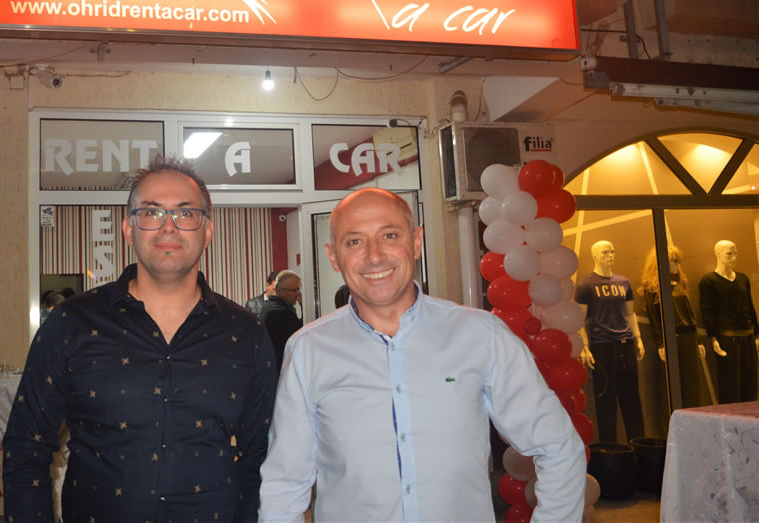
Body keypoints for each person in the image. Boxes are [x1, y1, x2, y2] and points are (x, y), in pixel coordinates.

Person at [259, 188, 585, 522]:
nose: (374, 256)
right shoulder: (309, 349)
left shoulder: (480, 335)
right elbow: (285, 482)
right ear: (333, 257)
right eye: (354, 241)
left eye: (389, 235)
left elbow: (559, 447)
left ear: (416, 242)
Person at [3, 156, 277, 522]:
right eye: (151, 213)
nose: (168, 227)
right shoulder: (71, 323)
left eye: (185, 213)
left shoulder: (246, 333)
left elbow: (262, 458)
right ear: (128, 229)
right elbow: (25, 449)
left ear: (208, 231)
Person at [576, 240, 645, 443]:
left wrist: (638, 338)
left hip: (625, 343)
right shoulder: (586, 285)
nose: (610, 255)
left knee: (632, 398)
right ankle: (609, 448)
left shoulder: (623, 282)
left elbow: (630, 314)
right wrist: (585, 347)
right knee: (606, 402)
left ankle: (639, 444)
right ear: (595, 255)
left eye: (612, 251)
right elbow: (580, 320)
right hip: (602, 346)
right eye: (605, 252)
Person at [640, 246, 708, 407]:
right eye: (674, 261)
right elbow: (654, 318)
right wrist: (660, 343)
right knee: (670, 385)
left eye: (679, 261)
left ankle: (693, 417)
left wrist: (697, 340)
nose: (678, 265)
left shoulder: (679, 283)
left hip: (687, 337)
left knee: (692, 383)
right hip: (670, 337)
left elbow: (689, 314)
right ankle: (672, 420)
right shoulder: (652, 287)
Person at [699, 240, 758, 403]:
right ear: (718, 254)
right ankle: (731, 419)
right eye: (729, 254)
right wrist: (713, 338)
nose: (733, 257)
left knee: (750, 386)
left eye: (735, 253)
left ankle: (750, 418)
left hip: (748, 336)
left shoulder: (743, 279)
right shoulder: (709, 281)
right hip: (727, 338)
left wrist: (756, 334)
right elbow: (707, 310)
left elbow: (750, 306)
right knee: (729, 386)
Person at [259, 270, 303, 373]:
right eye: (296, 290)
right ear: (282, 292)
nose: (299, 294)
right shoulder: (280, 311)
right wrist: (303, 306)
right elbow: (301, 334)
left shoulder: (269, 305)